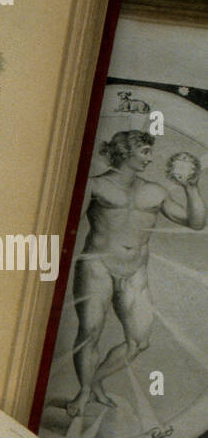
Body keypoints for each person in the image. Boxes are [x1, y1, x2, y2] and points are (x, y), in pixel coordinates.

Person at [65, 131, 205, 416]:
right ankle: (82, 392)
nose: (150, 158)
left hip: (135, 271)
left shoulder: (155, 191)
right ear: (124, 152)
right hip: (97, 266)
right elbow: (64, 223)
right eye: (144, 151)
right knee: (90, 333)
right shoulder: (95, 186)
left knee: (139, 341)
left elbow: (196, 223)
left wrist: (192, 188)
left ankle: (94, 384)